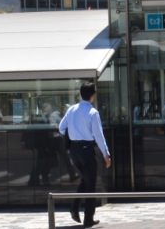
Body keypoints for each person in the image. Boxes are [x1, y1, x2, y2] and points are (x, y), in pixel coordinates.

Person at [58, 82, 111, 228]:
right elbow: (98, 136)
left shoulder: (71, 109)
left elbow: (61, 128)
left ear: (81, 94)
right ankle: (87, 218)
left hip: (74, 151)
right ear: (92, 96)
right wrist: (106, 155)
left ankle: (75, 207)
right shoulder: (93, 113)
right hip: (87, 150)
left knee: (86, 180)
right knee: (90, 184)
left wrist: (74, 133)